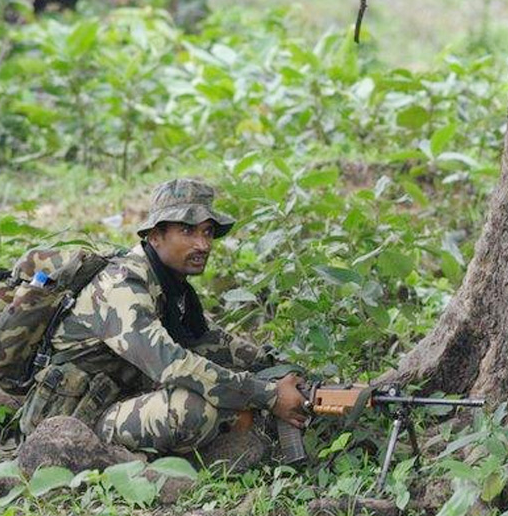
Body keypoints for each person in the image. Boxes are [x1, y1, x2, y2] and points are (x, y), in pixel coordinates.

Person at [18, 178, 308, 456]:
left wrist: (277, 368)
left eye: (208, 232)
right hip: (72, 417)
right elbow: (171, 363)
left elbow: (209, 340)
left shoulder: (167, 282)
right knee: (195, 410)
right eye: (188, 231)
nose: (203, 245)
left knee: (216, 380)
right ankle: (118, 460)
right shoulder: (120, 285)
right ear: (155, 236)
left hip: (121, 393)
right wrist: (267, 395)